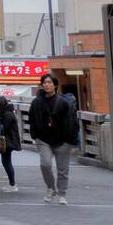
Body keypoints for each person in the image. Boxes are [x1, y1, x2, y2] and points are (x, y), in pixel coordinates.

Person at [28, 72, 78, 205]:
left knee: (63, 169)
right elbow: (31, 119)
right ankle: (51, 188)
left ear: (55, 85)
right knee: (45, 164)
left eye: (49, 82)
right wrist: (35, 136)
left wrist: (73, 143)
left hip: (63, 140)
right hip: (44, 139)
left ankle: (62, 194)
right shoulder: (36, 102)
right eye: (44, 83)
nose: (47, 85)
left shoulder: (65, 103)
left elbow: (73, 122)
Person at [0, 95, 22, 192]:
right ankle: (12, 184)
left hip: (8, 141)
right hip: (8, 140)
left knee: (6, 162)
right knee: (6, 161)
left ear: (1, 104)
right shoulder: (6, 112)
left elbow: (4, 128)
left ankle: (13, 185)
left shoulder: (7, 114)